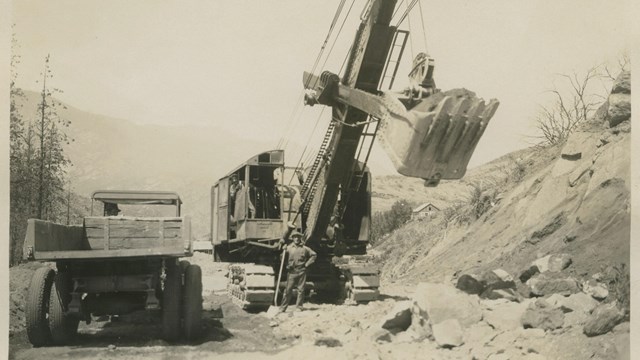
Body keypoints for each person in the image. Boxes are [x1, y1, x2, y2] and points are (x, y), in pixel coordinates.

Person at [278, 230, 317, 312]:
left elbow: (314, 255)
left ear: (300, 238)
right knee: (288, 290)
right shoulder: (288, 248)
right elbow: (282, 258)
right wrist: (283, 251)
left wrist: (307, 264)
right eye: (295, 237)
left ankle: (299, 307)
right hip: (292, 272)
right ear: (292, 238)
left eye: (298, 237)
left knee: (301, 290)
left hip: (301, 271)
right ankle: (283, 307)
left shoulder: (305, 248)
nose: (296, 239)